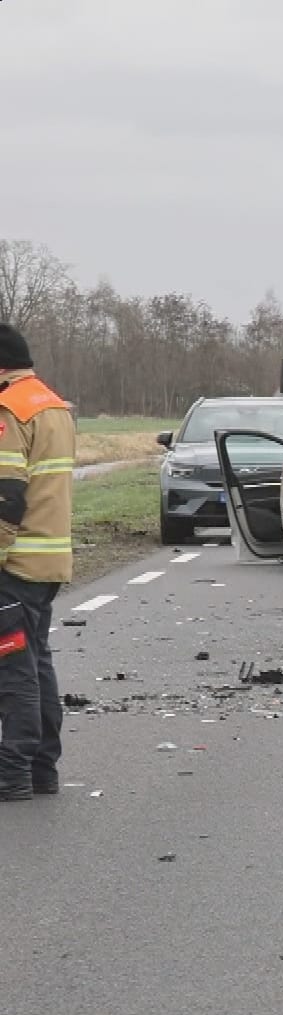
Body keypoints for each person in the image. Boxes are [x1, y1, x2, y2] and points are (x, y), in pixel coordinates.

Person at [0, 324, 75, 802]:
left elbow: (7, 498)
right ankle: (44, 767)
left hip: (16, 562)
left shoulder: (8, 410)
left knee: (15, 671)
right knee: (37, 664)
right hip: (50, 559)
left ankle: (12, 772)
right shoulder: (54, 406)